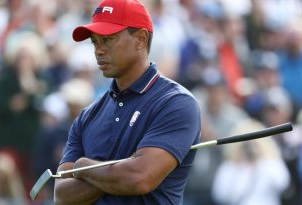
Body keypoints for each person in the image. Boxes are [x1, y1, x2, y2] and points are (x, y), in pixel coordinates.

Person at [53, 0, 201, 205]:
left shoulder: (176, 103)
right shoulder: (88, 115)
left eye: (108, 39)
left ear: (140, 39)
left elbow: (139, 178)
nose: (98, 50)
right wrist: (117, 172)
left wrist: (84, 166)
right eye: (95, 41)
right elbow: (62, 195)